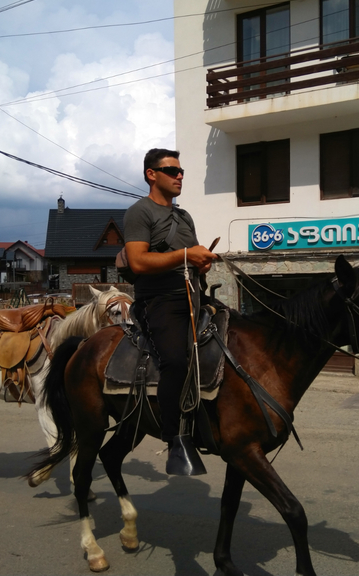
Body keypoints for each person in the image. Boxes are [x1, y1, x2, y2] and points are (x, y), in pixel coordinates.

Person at [123, 148, 218, 475]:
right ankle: (174, 439)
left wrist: (200, 262)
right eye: (172, 170)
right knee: (177, 361)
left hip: (194, 297)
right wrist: (188, 255)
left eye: (181, 171)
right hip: (160, 301)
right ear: (152, 174)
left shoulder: (183, 216)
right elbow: (137, 261)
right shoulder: (140, 212)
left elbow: (189, 260)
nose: (180, 176)